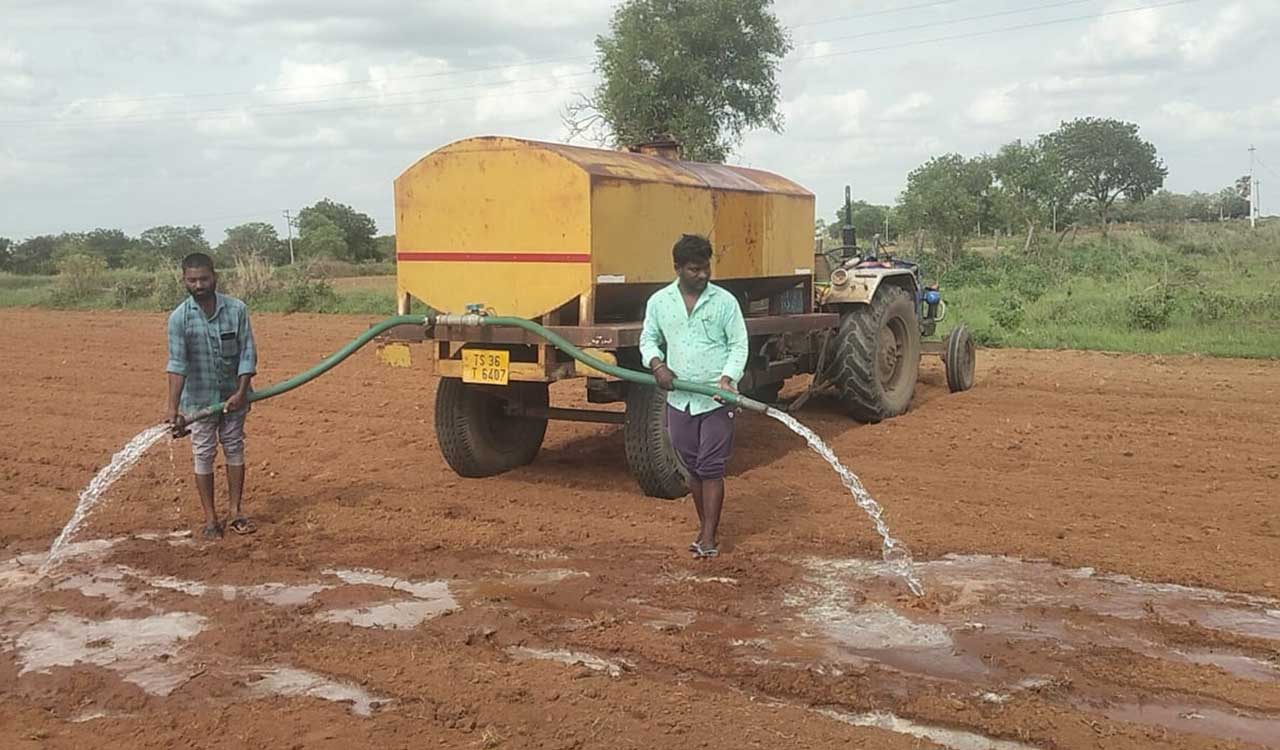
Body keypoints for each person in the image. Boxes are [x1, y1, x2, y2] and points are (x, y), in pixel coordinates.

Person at [639, 234, 748, 558]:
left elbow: (738, 344)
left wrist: (727, 379)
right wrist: (657, 364)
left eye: (706, 268)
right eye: (694, 269)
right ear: (678, 268)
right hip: (680, 400)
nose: (702, 275)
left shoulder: (724, 302)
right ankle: (705, 527)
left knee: (711, 465)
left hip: (716, 398)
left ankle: (709, 536)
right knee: (693, 467)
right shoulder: (660, 302)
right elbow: (648, 339)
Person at [165, 252, 258, 539]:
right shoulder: (179, 319)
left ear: (214, 277)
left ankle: (236, 512)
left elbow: (247, 353)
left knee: (234, 447)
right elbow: (177, 364)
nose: (199, 285)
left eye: (204, 279)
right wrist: (173, 409)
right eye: (192, 280)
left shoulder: (237, 310)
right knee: (203, 454)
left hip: (234, 396)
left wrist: (241, 392)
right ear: (184, 281)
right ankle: (210, 519)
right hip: (199, 401)